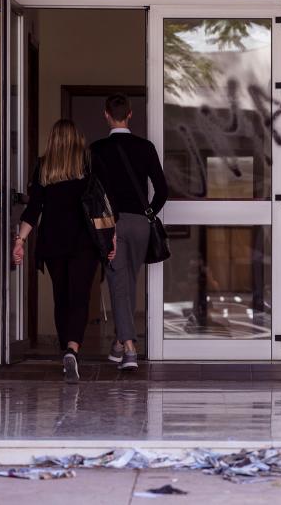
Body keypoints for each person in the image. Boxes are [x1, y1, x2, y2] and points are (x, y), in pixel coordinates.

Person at [13, 119, 113, 383]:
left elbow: (34, 209)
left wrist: (20, 240)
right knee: (80, 297)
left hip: (53, 241)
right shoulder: (89, 163)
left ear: (53, 140)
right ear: (77, 138)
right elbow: (102, 204)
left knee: (62, 298)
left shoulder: (44, 167)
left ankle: (64, 353)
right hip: (84, 243)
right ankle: (72, 349)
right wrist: (112, 239)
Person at [91, 94, 168, 370]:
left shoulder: (97, 149)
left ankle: (131, 348)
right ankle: (118, 342)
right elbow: (162, 189)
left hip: (111, 223)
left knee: (118, 282)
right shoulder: (145, 147)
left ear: (106, 115)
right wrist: (149, 214)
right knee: (127, 281)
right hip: (140, 224)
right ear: (130, 114)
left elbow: (93, 194)